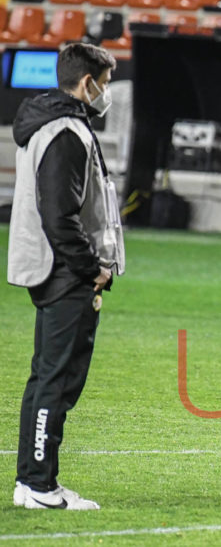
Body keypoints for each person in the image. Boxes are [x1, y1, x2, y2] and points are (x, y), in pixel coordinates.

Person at [7, 43, 125, 510]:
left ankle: (30, 482)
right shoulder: (66, 133)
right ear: (88, 82)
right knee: (56, 381)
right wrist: (91, 267)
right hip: (65, 274)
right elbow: (60, 216)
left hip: (54, 271)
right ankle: (39, 486)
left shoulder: (51, 124)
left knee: (46, 378)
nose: (106, 95)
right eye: (106, 85)